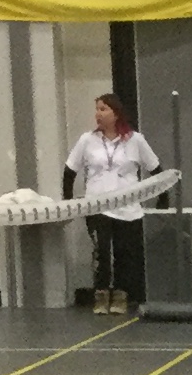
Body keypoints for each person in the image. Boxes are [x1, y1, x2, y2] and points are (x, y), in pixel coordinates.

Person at [63, 94, 157, 313]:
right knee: (102, 251)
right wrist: (67, 200)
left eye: (103, 109)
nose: (98, 114)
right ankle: (101, 294)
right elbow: (69, 170)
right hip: (98, 206)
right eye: (97, 109)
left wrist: (162, 197)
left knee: (125, 252)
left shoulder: (135, 140)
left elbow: (155, 168)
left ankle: (121, 295)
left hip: (127, 207)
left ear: (116, 113)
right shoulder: (87, 140)